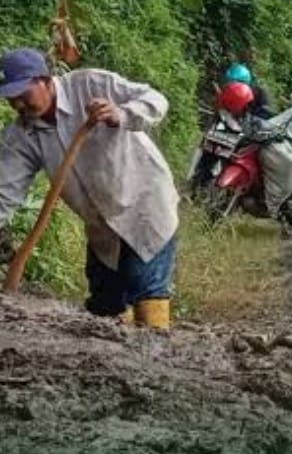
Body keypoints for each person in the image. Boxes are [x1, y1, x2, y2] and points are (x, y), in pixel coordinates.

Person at [0, 48, 178, 328]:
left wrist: (122, 113)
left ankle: (157, 360)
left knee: (146, 291)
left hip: (145, 206)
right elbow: (4, 191)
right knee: (104, 308)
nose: (19, 105)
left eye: (24, 95)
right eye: (12, 99)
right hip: (101, 227)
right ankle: (119, 365)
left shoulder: (90, 84)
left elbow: (156, 100)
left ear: (44, 80)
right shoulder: (21, 136)